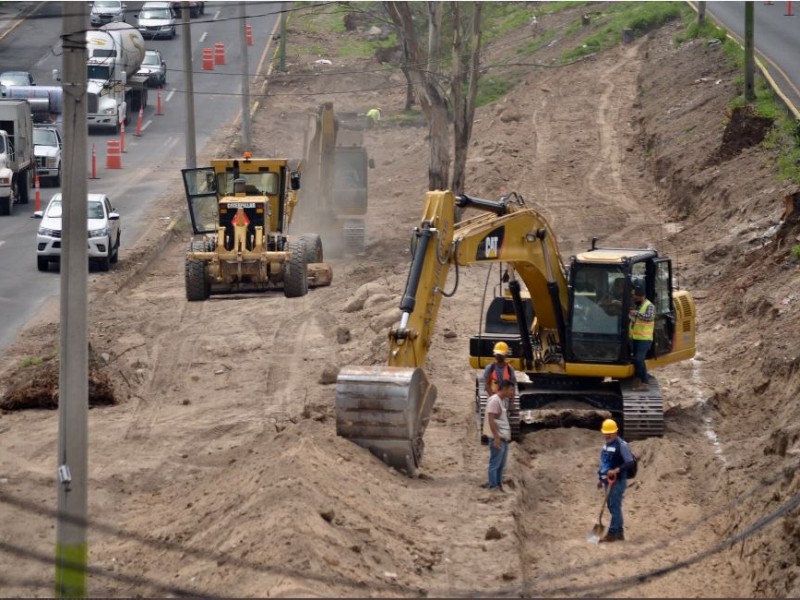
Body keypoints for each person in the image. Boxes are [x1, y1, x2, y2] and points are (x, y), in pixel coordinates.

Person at [596, 418, 635, 542]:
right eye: (605, 433)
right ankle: (619, 533)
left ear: (615, 432)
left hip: (618, 481)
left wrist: (617, 470)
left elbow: (630, 462)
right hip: (608, 481)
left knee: (615, 506)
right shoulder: (606, 445)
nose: (607, 435)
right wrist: (600, 479)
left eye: (610, 433)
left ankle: (613, 533)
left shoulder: (621, 445)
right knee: (612, 506)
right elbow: (605, 463)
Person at [484, 379, 515, 492]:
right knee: (495, 464)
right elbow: (491, 420)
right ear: (505, 388)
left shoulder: (500, 401)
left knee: (501, 465)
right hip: (498, 439)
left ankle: (499, 486)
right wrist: (496, 437)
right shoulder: (494, 401)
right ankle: (493, 487)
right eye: (511, 390)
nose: (512, 393)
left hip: (503, 439)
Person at [628, 279, 655, 390]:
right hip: (636, 337)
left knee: (639, 359)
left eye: (637, 296)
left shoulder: (649, 306)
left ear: (641, 296)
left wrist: (636, 313)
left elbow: (649, 317)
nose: (635, 298)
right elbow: (635, 320)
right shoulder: (639, 305)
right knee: (635, 359)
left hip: (645, 338)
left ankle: (645, 382)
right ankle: (638, 378)